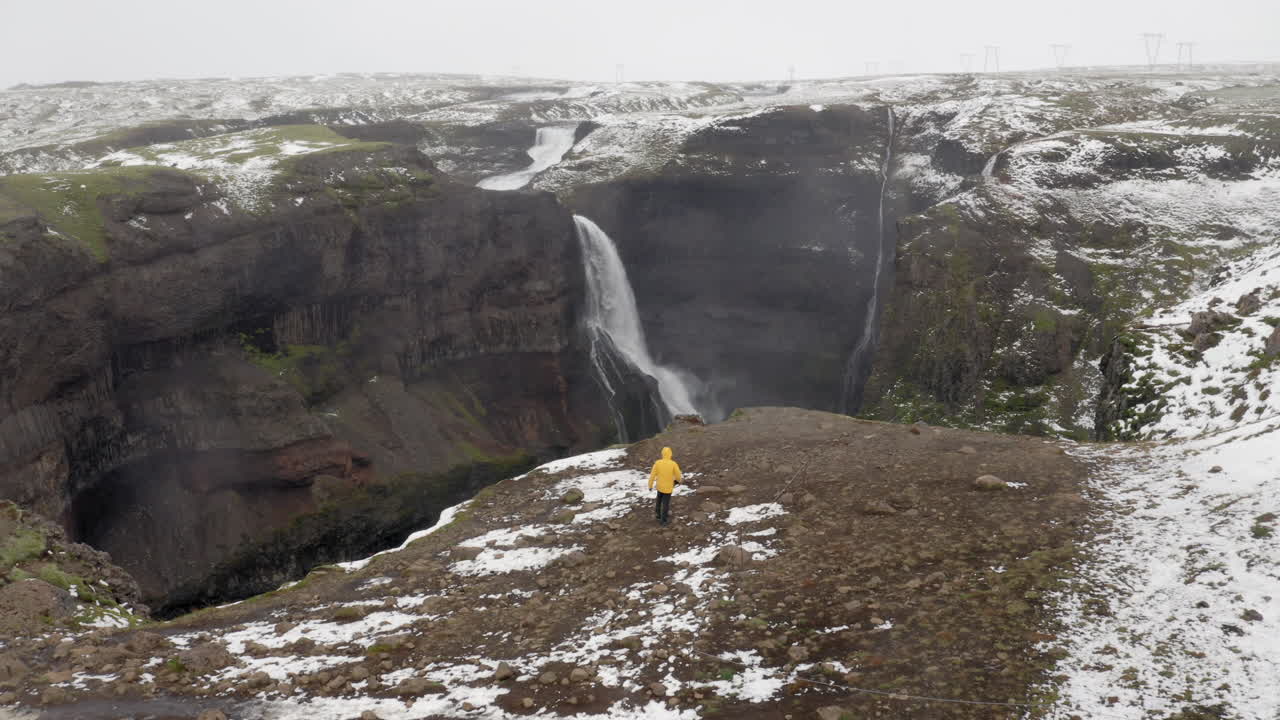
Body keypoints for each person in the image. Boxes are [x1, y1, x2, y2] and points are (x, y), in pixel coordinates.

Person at [647, 446, 682, 526]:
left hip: (659, 486)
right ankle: (663, 521)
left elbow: (652, 475)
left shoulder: (657, 463)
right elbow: (678, 475)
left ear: (662, 454)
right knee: (665, 504)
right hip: (668, 488)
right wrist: (677, 481)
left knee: (659, 500)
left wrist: (650, 485)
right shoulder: (673, 464)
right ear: (670, 454)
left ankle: (658, 514)